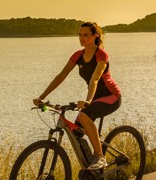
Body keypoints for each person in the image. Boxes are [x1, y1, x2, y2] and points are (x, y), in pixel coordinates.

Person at [33, 21, 122, 170]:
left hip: (111, 96)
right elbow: (60, 76)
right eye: (80, 35)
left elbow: (95, 79)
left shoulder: (101, 55)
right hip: (93, 98)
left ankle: (100, 156)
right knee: (76, 133)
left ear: (95, 36)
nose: (81, 38)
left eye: (86, 35)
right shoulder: (77, 55)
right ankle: (90, 173)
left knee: (84, 116)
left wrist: (88, 101)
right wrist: (42, 97)